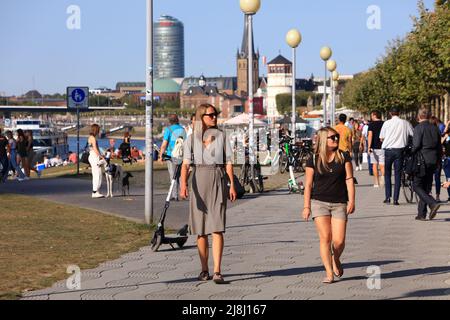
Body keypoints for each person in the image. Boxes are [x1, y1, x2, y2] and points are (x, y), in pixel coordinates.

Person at [180, 104, 237, 284]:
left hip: (217, 180)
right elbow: (185, 165)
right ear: (201, 117)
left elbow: (228, 163)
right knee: (201, 231)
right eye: (211, 115)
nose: (214, 117)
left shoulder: (222, 136)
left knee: (217, 227)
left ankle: (217, 270)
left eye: (215, 114)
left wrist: (232, 185)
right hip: (198, 181)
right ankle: (204, 269)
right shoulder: (191, 139)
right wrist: (183, 185)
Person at [303, 127, 355, 284]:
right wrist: (306, 206)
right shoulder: (313, 158)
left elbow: (349, 179)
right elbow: (308, 184)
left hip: (339, 203)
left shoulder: (344, 156)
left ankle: (336, 258)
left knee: (339, 241)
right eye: (333, 137)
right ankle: (329, 273)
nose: (336, 140)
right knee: (325, 238)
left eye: (337, 137)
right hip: (319, 202)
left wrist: (352, 200)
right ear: (324, 139)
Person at [411, 108, 442, 221]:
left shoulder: (419, 128)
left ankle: (432, 203)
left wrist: (410, 153)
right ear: (429, 116)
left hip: (422, 160)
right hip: (433, 159)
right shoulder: (435, 128)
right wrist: (438, 160)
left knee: (417, 186)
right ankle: (421, 213)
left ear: (419, 116)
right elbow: (439, 145)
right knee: (426, 186)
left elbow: (416, 145)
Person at [379, 107, 413, 205]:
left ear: (390, 113)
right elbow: (412, 134)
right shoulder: (405, 123)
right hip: (400, 151)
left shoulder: (386, 123)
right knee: (398, 174)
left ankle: (387, 197)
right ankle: (395, 199)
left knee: (387, 174)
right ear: (399, 113)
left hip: (388, 151)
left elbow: (381, 137)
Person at [159, 114, 186, 201]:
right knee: (181, 175)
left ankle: (175, 195)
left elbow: (164, 144)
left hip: (171, 155)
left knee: (173, 175)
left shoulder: (168, 129)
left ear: (170, 121)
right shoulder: (182, 129)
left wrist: (161, 156)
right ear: (177, 120)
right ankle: (183, 193)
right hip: (181, 155)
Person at [368, 110, 385, 188]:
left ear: (374, 115)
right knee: (382, 165)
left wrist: (369, 147)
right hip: (383, 146)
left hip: (374, 147)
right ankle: (383, 179)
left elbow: (370, 135)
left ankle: (376, 182)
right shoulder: (384, 123)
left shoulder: (371, 124)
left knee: (374, 165)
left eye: (371, 115)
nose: (371, 117)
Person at [88, 124, 105, 198]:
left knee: (95, 174)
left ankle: (95, 191)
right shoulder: (93, 138)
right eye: (98, 130)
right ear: (96, 130)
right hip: (94, 156)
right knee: (98, 174)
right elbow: (95, 149)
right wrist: (101, 157)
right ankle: (95, 192)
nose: (99, 131)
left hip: (92, 156)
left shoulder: (90, 137)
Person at [431, 116, 445, 202]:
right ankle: (437, 196)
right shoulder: (438, 132)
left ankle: (429, 194)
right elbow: (439, 145)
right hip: (437, 158)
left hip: (428, 158)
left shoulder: (427, 131)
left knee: (429, 178)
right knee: (437, 178)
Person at [442, 121, 450, 202]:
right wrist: (447, 124)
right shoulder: (446, 138)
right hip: (447, 160)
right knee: (448, 178)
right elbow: (440, 141)